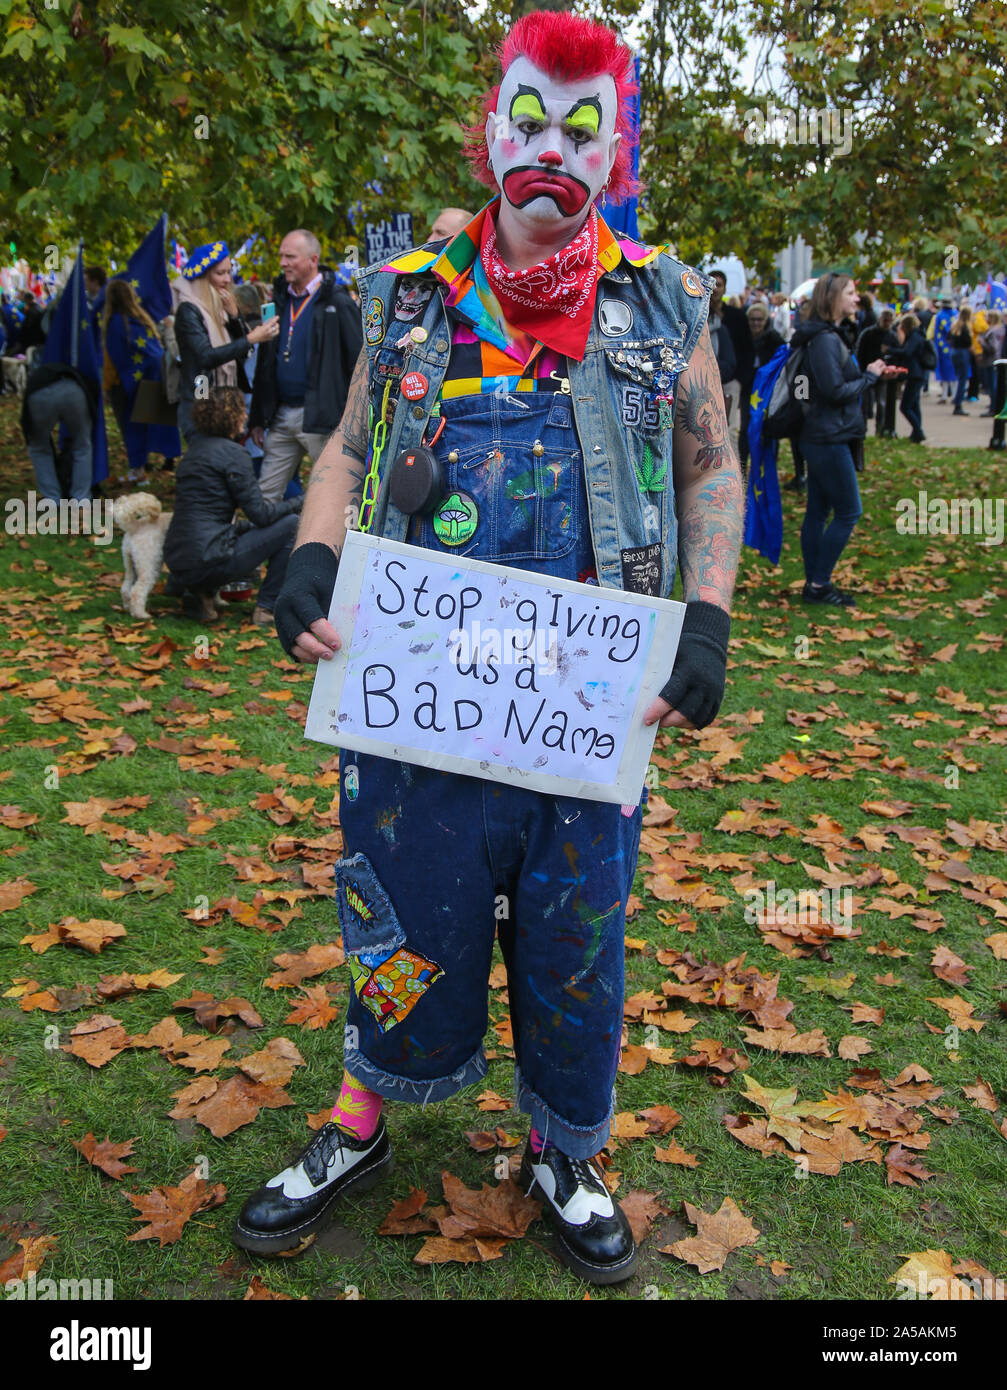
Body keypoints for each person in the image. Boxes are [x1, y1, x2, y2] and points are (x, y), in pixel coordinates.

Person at [233, 8, 745, 1285]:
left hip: (585, 704)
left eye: (580, 132)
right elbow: (347, 451)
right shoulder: (409, 297)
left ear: (610, 152)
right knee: (405, 910)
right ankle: (361, 1119)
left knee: (576, 929)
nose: (549, 152)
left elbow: (709, 462)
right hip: (420, 700)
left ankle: (561, 1147)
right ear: (490, 131)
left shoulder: (663, 300)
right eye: (528, 118)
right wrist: (310, 548)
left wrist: (710, 614)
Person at [162, 387, 302, 625]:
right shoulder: (234, 454)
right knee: (291, 525)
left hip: (176, 556)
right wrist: (302, 501)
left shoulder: (193, 452)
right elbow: (262, 515)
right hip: (209, 557)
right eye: (243, 411)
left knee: (240, 530)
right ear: (233, 416)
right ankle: (266, 607)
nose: (246, 416)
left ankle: (194, 590)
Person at [789, 273, 885, 607]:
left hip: (823, 435)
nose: (857, 298)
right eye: (851, 292)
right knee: (848, 512)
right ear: (832, 299)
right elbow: (833, 391)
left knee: (818, 510)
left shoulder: (825, 336)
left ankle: (814, 584)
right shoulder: (826, 340)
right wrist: (869, 378)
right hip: (828, 437)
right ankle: (819, 583)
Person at [248, 230, 363, 504]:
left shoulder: (337, 301)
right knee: (265, 496)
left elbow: (359, 361)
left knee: (332, 493)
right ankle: (263, 546)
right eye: (281, 257)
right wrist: (257, 418)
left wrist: (351, 417)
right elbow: (264, 363)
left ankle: (334, 544)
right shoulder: (278, 301)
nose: (283, 263)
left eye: (290, 257)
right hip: (281, 415)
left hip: (321, 418)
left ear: (313, 259)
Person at [173, 241, 278, 444]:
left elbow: (243, 354)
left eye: (229, 272)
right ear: (203, 275)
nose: (227, 279)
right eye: (220, 273)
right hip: (201, 404)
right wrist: (251, 338)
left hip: (225, 405)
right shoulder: (189, 309)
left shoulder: (220, 307)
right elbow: (205, 356)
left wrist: (235, 317)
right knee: (209, 469)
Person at [102, 278, 181, 484]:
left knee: (132, 426)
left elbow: (114, 356)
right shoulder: (142, 320)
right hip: (153, 377)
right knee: (148, 423)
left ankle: (138, 469)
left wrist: (108, 385)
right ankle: (163, 461)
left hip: (127, 382)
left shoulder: (115, 323)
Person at [20, 360, 98, 502]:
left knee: (39, 447)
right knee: (83, 445)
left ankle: (51, 498)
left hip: (39, 392)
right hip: (73, 390)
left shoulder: (42, 369)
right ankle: (81, 497)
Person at [885, 312, 928, 442]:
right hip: (917, 373)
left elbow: (907, 352)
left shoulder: (914, 336)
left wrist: (890, 350)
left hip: (915, 373)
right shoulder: (918, 335)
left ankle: (918, 431)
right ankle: (916, 432)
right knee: (914, 404)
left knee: (905, 406)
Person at [856, 307, 898, 435]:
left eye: (889, 321)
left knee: (881, 403)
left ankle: (880, 429)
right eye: (885, 320)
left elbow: (896, 355)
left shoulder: (891, 336)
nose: (887, 324)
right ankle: (863, 428)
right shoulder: (868, 334)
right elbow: (860, 352)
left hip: (882, 374)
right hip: (867, 372)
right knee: (865, 403)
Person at [948, 304, 973, 415]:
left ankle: (956, 400)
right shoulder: (966, 327)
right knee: (963, 379)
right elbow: (968, 342)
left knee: (959, 378)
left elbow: (948, 338)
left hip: (954, 351)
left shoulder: (955, 325)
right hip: (962, 352)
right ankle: (958, 403)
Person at [980, 310, 1004, 416]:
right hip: (992, 360)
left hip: (991, 360)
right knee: (992, 385)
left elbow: (994, 347)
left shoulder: (994, 331)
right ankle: (993, 405)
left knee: (992, 385)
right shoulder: (999, 329)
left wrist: (982, 343)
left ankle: (994, 407)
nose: (986, 319)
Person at [932, 299, 955, 402]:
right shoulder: (956, 314)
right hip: (953, 346)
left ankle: (947, 395)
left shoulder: (940, 315)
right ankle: (951, 394)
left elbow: (947, 330)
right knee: (952, 371)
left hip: (943, 347)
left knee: (945, 371)